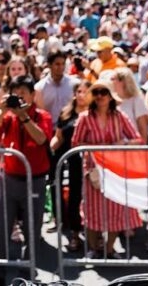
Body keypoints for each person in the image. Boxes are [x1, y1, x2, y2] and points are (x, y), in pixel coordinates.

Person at [0, 75, 54, 285]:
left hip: (36, 179)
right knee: (2, 226)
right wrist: (4, 111)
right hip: (10, 178)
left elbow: (41, 138)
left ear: (33, 95)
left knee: (32, 226)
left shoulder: (42, 116)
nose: (20, 96)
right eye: (17, 93)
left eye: (24, 92)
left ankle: (28, 269)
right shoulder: (8, 117)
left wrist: (24, 116)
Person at [72, 79, 142, 258]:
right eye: (96, 93)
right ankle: (94, 248)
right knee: (91, 211)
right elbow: (75, 143)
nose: (100, 96)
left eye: (104, 92)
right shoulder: (84, 118)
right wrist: (96, 147)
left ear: (111, 96)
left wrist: (123, 143)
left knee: (116, 211)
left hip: (115, 171)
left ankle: (109, 249)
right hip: (93, 171)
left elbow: (137, 139)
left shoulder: (120, 116)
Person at [50, 80, 92, 253]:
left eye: (85, 91)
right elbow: (58, 136)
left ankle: (94, 236)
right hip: (69, 159)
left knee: (89, 197)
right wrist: (52, 145)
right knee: (73, 196)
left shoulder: (94, 114)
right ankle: (74, 232)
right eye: (79, 91)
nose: (81, 95)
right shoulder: (66, 113)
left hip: (90, 161)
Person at [34, 52, 79, 123]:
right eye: (57, 64)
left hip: (70, 128)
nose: (61, 67)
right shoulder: (39, 87)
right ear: (49, 65)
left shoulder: (75, 84)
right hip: (50, 129)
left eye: (63, 64)